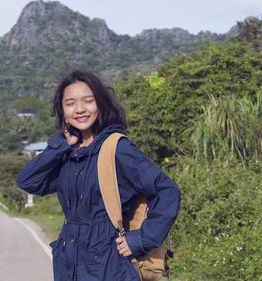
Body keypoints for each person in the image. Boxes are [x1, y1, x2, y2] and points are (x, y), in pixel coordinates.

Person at [17, 69, 181, 281]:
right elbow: (28, 180)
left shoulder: (116, 148)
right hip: (69, 264)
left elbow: (167, 191)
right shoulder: (67, 154)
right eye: (70, 103)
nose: (80, 109)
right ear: (62, 110)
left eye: (88, 101)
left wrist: (140, 240)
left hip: (109, 265)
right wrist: (61, 145)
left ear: (100, 104)